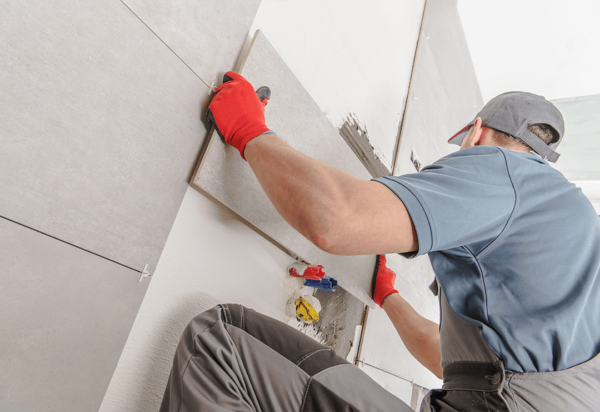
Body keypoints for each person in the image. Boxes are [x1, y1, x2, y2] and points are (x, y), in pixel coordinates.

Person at [161, 72, 600, 411]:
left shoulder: (509, 173)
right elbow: (446, 361)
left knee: (216, 343)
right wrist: (388, 297)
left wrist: (247, 131)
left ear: (477, 134)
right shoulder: (578, 244)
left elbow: (335, 219)